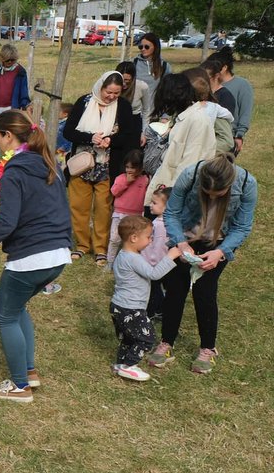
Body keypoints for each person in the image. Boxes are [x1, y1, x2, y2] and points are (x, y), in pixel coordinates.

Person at [0, 110, 71, 404]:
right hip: (58, 254)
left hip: (31, 257)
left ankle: (19, 386)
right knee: (18, 309)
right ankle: (28, 371)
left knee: (5, 315)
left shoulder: (14, 173)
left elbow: (7, 224)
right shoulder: (48, 164)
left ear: (8, 136)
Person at [148, 153, 257, 375]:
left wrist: (220, 252)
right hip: (185, 238)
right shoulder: (190, 175)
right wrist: (180, 243)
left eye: (218, 194)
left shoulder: (247, 184)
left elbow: (242, 226)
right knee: (175, 289)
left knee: (204, 291)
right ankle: (167, 342)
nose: (212, 197)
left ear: (229, 185)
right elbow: (172, 212)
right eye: (207, 193)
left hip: (219, 243)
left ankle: (207, 348)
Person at [63, 70, 141, 265]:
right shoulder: (84, 102)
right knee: (78, 206)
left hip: (107, 165)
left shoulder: (123, 106)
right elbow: (68, 131)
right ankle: (82, 245)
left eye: (116, 93)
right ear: (101, 87)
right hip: (82, 165)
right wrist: (90, 137)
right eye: (109, 92)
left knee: (103, 209)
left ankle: (100, 248)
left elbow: (129, 135)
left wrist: (110, 140)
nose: (112, 96)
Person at [110, 215, 181, 382]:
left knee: (129, 339)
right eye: (149, 237)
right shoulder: (133, 258)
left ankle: (120, 364)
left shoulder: (123, 254)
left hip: (118, 305)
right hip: (131, 308)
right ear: (134, 238)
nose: (150, 241)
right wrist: (170, 256)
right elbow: (154, 274)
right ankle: (129, 366)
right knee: (146, 338)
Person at [145, 73, 223, 204]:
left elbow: (190, 166)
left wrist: (173, 199)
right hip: (165, 190)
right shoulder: (183, 117)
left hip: (177, 196)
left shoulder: (198, 120)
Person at [204, 47, 253, 154]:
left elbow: (245, 112)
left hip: (227, 136)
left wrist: (239, 135)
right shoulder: (209, 84)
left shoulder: (242, 85)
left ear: (225, 67)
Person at [106, 149, 149, 266]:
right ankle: (109, 263)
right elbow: (114, 192)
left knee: (132, 241)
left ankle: (127, 263)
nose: (129, 170)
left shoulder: (145, 180)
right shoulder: (120, 178)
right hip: (119, 213)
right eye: (127, 167)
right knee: (114, 239)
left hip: (136, 216)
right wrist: (126, 182)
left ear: (141, 167)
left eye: (133, 167)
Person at [142, 186, 172, 320]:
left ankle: (153, 311)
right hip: (157, 263)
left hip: (155, 264)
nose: (150, 205)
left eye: (154, 203)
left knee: (154, 288)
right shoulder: (160, 222)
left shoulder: (160, 225)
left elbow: (159, 248)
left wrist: (152, 264)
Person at [133, 32, 171, 99]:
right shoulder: (133, 63)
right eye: (141, 47)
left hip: (153, 107)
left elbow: (168, 88)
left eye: (147, 47)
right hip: (135, 107)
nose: (143, 49)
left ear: (155, 47)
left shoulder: (164, 66)